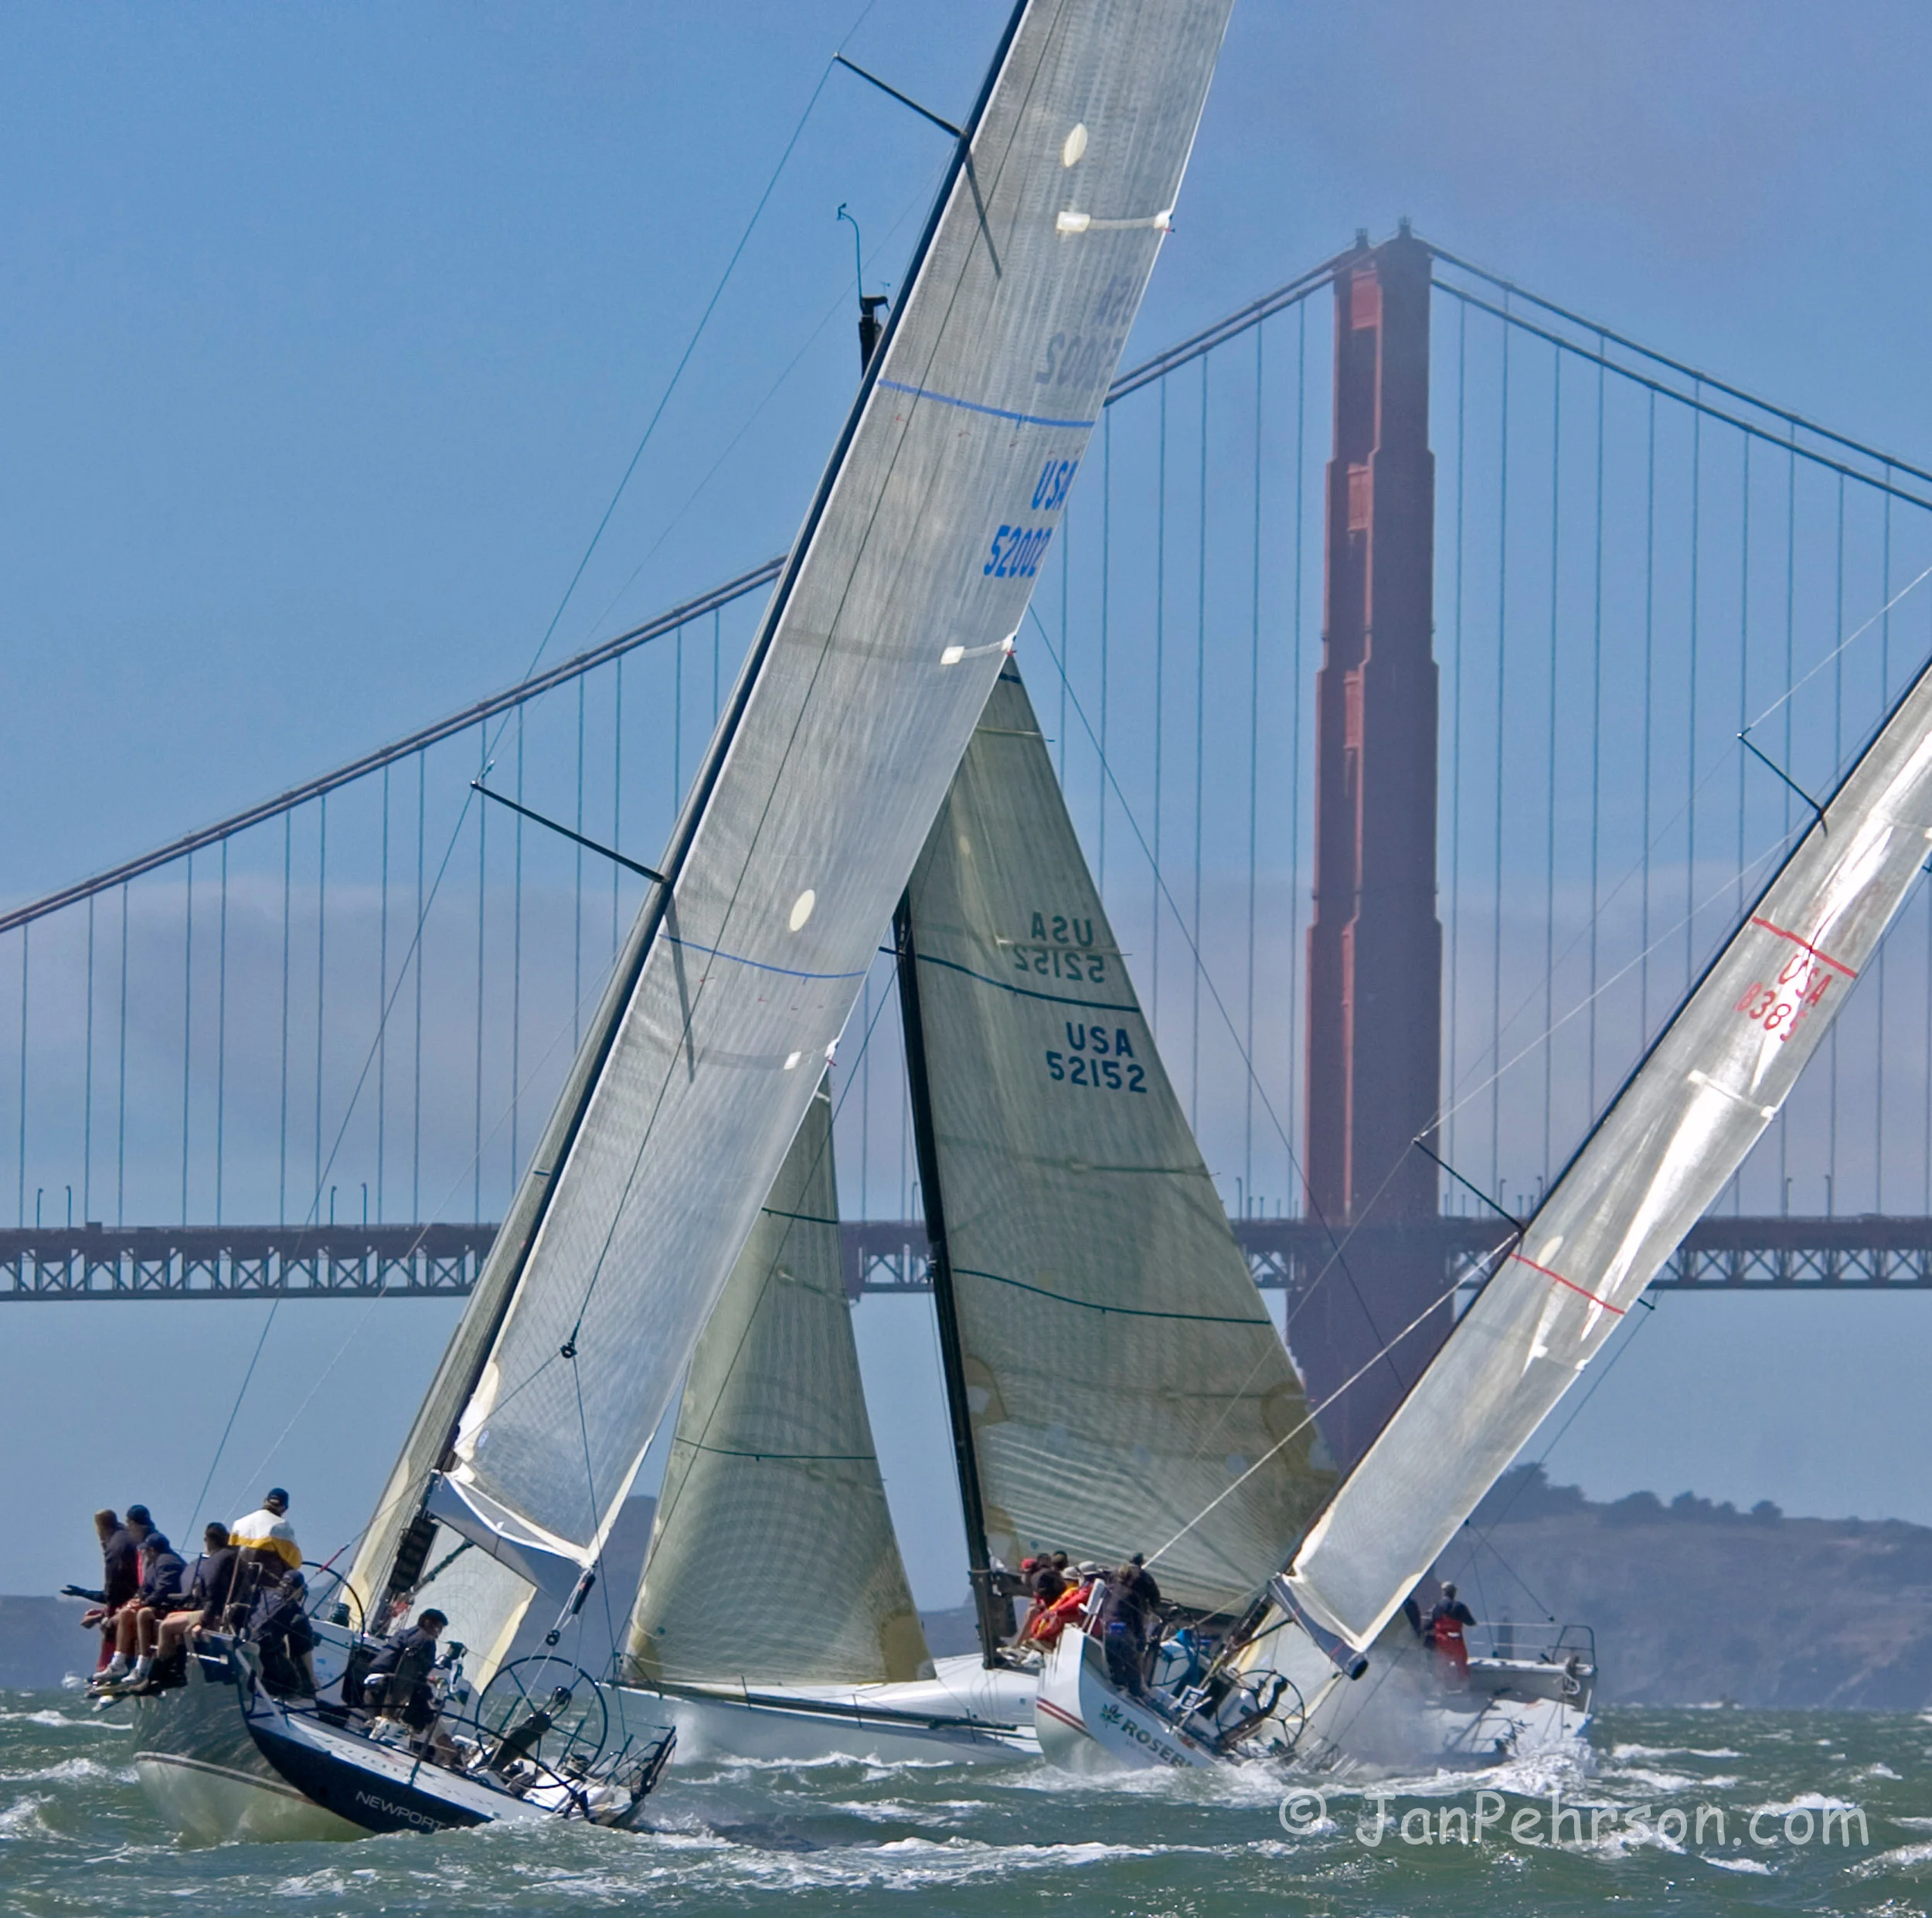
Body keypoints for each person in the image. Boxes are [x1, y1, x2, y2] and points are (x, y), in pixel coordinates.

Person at [94, 1530, 185, 1689]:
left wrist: (144, 1603)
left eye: (146, 1550)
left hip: (169, 1606)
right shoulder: (155, 1564)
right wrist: (136, 1600)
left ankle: (143, 1665)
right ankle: (119, 1663)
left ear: (152, 1550)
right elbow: (144, 1590)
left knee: (142, 1613)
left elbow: (163, 1590)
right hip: (158, 1604)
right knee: (127, 1613)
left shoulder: (167, 1563)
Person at [155, 1524, 240, 1671]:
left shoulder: (216, 1561)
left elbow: (215, 1598)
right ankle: (177, 1667)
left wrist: (204, 1622)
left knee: (166, 1627)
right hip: (218, 1610)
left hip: (216, 1613)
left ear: (208, 1540)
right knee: (171, 1617)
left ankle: (162, 1673)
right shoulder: (230, 1557)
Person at [73, 1509, 141, 1674]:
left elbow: (114, 1590)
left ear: (100, 1527)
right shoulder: (126, 1537)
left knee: (110, 1624)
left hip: (131, 1601)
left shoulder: (115, 1548)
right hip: (135, 1596)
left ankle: (114, 1669)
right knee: (109, 1617)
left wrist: (106, 1614)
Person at [359, 1608, 448, 1732]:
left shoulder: (403, 1633)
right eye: (439, 1628)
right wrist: (431, 1697)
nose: (439, 1633)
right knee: (429, 1720)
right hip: (391, 1693)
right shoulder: (426, 1641)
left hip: (373, 1687)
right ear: (428, 1623)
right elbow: (409, 1673)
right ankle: (449, 1747)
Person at [1096, 1554, 1162, 1696]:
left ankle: (1117, 1681)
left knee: (1113, 1654)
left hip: (1107, 1620)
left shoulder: (1115, 1573)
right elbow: (1154, 1602)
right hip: (1126, 1625)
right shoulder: (1143, 1582)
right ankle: (1135, 1691)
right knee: (1132, 1659)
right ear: (1142, 1563)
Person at [247, 1568, 319, 1696]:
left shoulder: (264, 1592)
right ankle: (268, 1700)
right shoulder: (297, 1613)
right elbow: (304, 1650)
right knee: (292, 1684)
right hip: (262, 1650)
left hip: (243, 1637)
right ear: (299, 1590)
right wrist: (312, 1676)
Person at [228, 1488, 300, 1612]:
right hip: (263, 1588)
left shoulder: (239, 1523)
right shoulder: (281, 1527)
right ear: (284, 1508)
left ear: (265, 1501)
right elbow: (295, 1562)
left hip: (235, 1585)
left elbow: (231, 1551)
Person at [1427, 1583, 1477, 1679]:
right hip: (1455, 1640)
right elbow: (1471, 1622)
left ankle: (1440, 1687)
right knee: (1461, 1663)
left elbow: (1430, 1624)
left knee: (1441, 1665)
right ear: (1454, 1592)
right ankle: (1463, 1686)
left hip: (1441, 1640)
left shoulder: (1436, 1607)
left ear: (1443, 1592)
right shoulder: (1459, 1607)